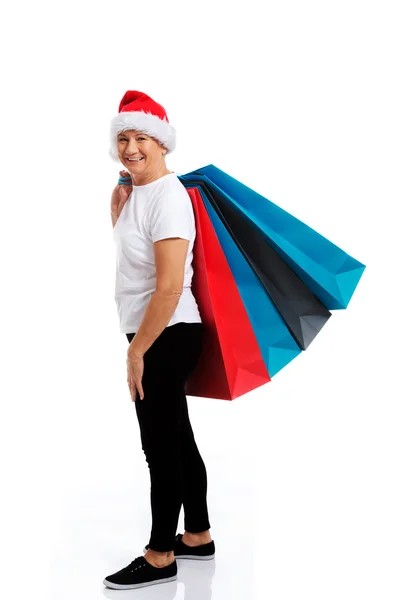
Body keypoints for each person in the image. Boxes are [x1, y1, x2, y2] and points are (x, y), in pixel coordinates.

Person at [103, 90, 215, 591]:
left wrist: (136, 350)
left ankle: (160, 554)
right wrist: (118, 208)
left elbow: (170, 287)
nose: (130, 147)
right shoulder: (138, 192)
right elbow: (137, 267)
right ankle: (197, 536)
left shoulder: (168, 196)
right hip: (155, 331)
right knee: (178, 436)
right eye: (123, 137)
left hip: (165, 332)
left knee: (160, 446)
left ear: (162, 144)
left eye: (141, 137)